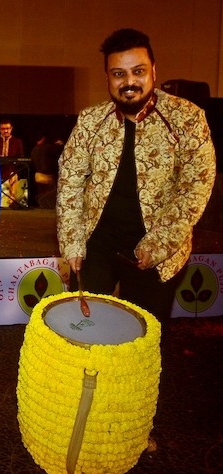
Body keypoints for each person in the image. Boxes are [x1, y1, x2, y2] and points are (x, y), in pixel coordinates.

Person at [57, 28, 216, 322]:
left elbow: (195, 187)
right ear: (108, 77)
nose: (129, 82)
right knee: (86, 328)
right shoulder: (91, 120)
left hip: (158, 249)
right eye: (118, 74)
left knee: (142, 337)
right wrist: (73, 243)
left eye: (138, 71)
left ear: (153, 71)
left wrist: (157, 245)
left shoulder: (187, 118)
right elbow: (70, 181)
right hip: (98, 245)